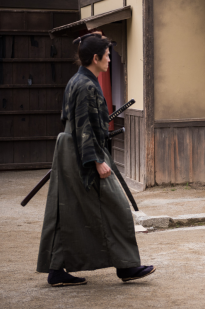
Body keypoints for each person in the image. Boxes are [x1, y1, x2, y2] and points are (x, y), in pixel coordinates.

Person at [36, 32, 155, 286]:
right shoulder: (87, 85)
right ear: (95, 58)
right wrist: (95, 161)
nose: (110, 59)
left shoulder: (76, 81)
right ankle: (126, 266)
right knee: (117, 207)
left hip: (70, 151)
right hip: (82, 154)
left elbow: (73, 122)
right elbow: (83, 126)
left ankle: (57, 271)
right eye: (108, 55)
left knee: (68, 212)